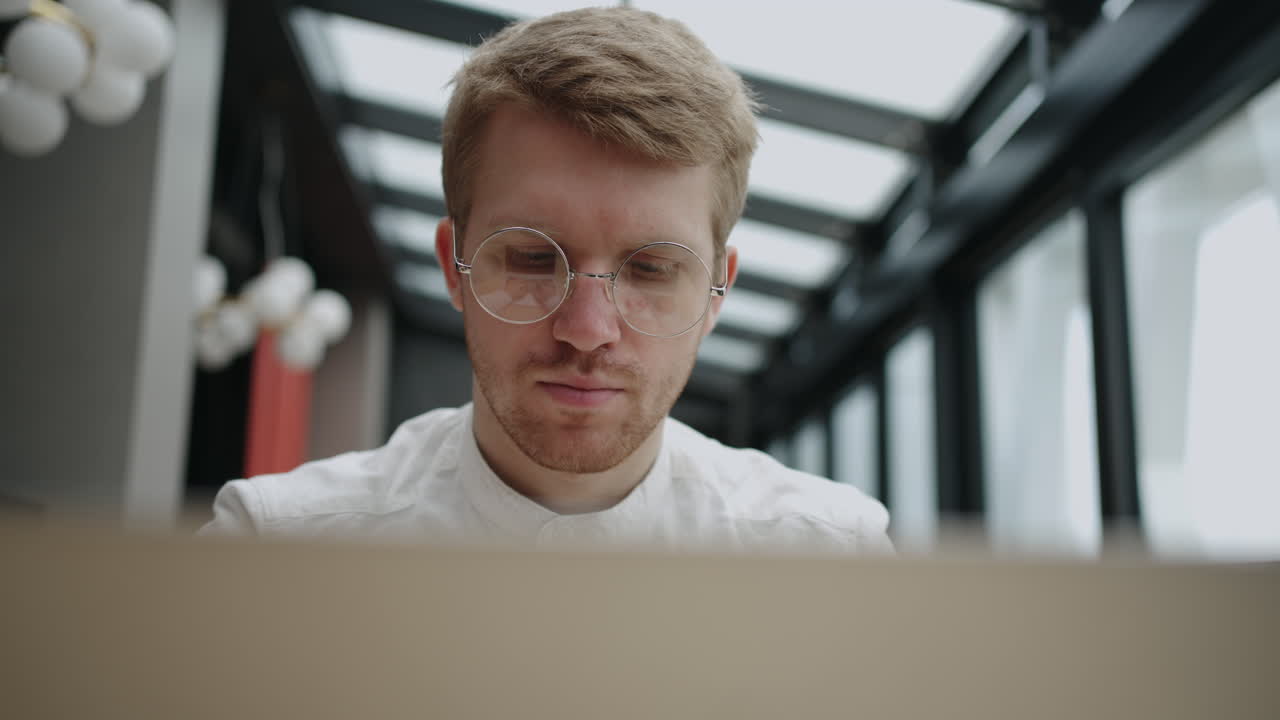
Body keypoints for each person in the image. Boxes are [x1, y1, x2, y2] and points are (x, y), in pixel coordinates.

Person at [202, 7, 891, 552]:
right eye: (532, 258)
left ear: (717, 292)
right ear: (453, 266)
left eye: (651, 269)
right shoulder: (277, 545)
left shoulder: (828, 555)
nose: (588, 331)